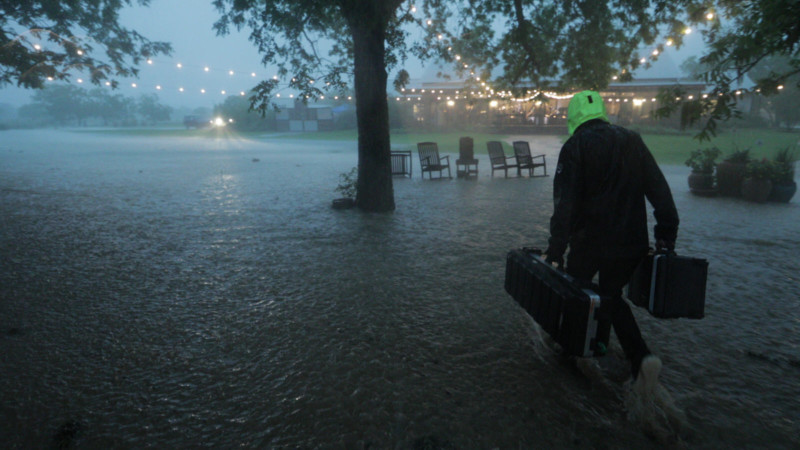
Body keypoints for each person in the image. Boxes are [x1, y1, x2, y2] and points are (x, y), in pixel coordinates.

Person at [544, 90, 679, 390]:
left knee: (577, 292)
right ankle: (639, 357)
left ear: (573, 115)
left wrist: (556, 248)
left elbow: (564, 204)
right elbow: (659, 189)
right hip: (631, 243)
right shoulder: (633, 140)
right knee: (611, 295)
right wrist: (666, 233)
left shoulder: (575, 147)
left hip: (589, 243)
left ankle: (574, 352)